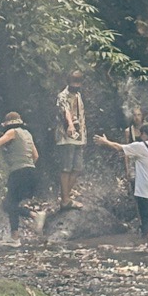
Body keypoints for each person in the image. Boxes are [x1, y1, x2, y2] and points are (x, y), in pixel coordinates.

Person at [94, 126, 148, 256]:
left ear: (144, 134)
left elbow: (119, 147)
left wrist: (105, 142)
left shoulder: (141, 147)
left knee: (147, 221)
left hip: (145, 191)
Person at [53, 77, 87, 210]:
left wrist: (84, 137)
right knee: (66, 168)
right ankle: (66, 200)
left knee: (78, 168)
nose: (76, 85)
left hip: (79, 137)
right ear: (69, 83)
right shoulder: (62, 96)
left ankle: (65, 198)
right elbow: (66, 111)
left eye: (79, 83)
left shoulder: (78, 95)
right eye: (74, 83)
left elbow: (82, 116)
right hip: (66, 135)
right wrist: (71, 125)